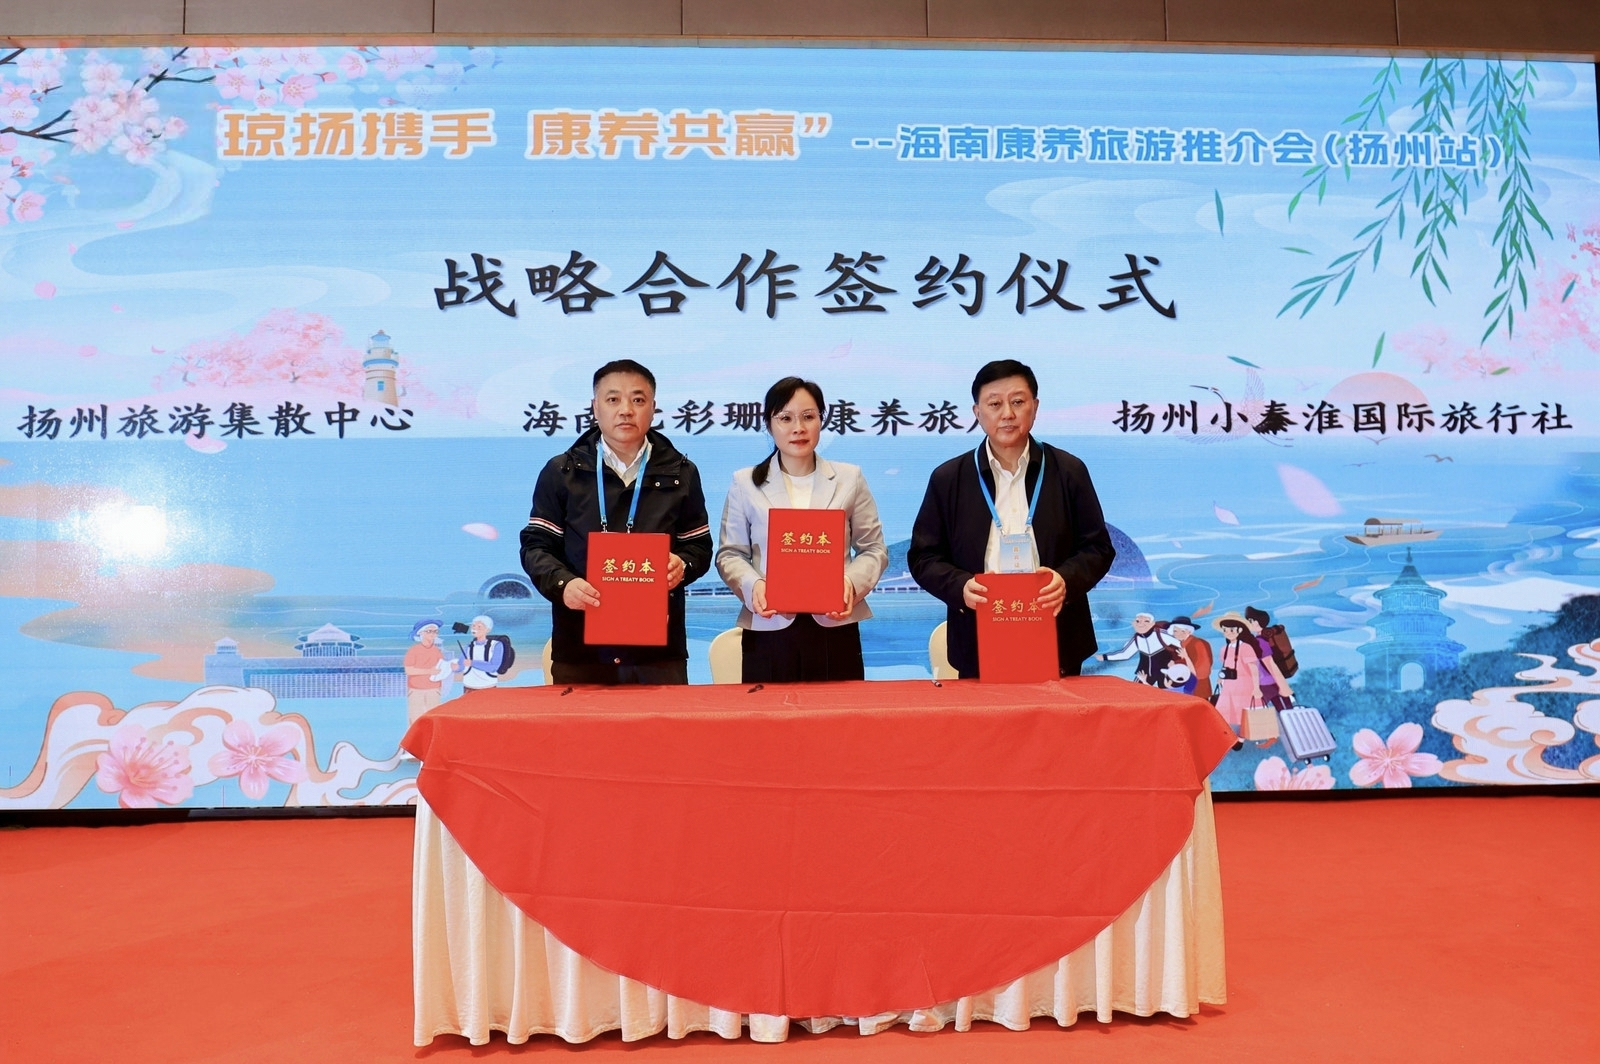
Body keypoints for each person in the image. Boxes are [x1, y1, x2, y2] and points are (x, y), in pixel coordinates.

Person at [909, 359, 1116, 679]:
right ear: (977, 412)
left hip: (1058, 632)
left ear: (1035, 406)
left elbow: (1098, 548)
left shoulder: (1068, 471)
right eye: (995, 404)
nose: (1007, 413)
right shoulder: (949, 479)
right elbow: (924, 557)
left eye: (1018, 402)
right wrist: (961, 586)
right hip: (978, 634)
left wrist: (1065, 580)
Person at [520, 359, 712, 685]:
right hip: (581, 646)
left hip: (659, 652)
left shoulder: (681, 473)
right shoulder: (562, 472)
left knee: (662, 721)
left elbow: (700, 547)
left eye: (638, 399)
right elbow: (536, 546)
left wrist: (683, 565)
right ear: (595, 407)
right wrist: (564, 585)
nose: (626, 410)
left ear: (653, 408)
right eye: (613, 399)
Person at [717, 377, 889, 682]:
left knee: (838, 712)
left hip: (835, 626)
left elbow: (873, 549)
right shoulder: (745, 482)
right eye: (785, 418)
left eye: (808, 416)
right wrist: (754, 586)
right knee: (769, 713)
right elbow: (730, 554)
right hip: (769, 626)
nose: (798, 427)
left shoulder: (849, 478)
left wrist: (849, 583)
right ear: (769, 425)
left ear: (822, 420)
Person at [1098, 612, 1183, 686]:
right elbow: (1125, 654)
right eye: (1138, 621)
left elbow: (1181, 644)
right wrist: (1105, 657)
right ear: (1133, 623)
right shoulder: (1136, 638)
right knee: (1135, 692)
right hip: (1144, 672)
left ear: (1152, 623)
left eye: (1146, 621)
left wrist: (1180, 659)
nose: (1141, 624)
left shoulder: (1161, 634)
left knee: (1166, 694)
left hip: (1165, 669)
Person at [1212, 612, 1261, 729]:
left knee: (1244, 714)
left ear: (1240, 630)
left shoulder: (1246, 647)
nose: (1228, 633)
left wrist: (1256, 688)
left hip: (1244, 686)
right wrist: (1220, 678)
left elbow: (1254, 668)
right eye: (1225, 630)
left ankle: (1243, 735)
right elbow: (1225, 665)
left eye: (1231, 630)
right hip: (1228, 686)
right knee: (1223, 712)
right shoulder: (1224, 649)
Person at [1244, 606, 1294, 709]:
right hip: (1270, 681)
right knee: (1284, 707)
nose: (1248, 623)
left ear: (1257, 622)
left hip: (1268, 681)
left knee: (1281, 708)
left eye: (1250, 621)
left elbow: (1270, 663)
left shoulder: (1260, 641)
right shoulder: (1261, 639)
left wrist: (1283, 686)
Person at [403, 619, 444, 722]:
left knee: (433, 718)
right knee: (416, 719)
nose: (433, 634)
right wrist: (429, 671)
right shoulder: (414, 650)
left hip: (434, 689)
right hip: (417, 689)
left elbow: (441, 668)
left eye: (435, 631)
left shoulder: (437, 651)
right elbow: (409, 670)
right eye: (429, 631)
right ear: (420, 633)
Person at [1167, 615, 1213, 702]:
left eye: (1179, 631)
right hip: (1186, 686)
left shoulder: (1197, 643)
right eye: (1174, 631)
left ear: (1187, 631)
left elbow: (1203, 667)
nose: (1176, 634)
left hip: (1198, 687)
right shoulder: (1181, 644)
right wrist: (1175, 664)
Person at [453, 615, 503, 691]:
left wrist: (472, 663)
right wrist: (456, 668)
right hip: (468, 687)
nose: (474, 628)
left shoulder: (496, 645)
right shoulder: (468, 647)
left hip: (488, 687)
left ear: (488, 629)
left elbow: (493, 667)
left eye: (479, 627)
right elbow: (461, 665)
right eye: (473, 626)